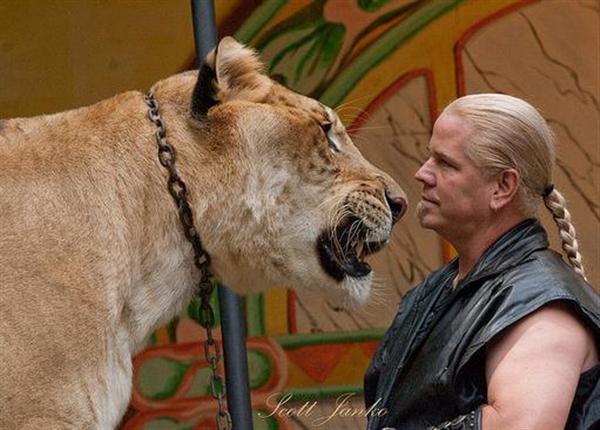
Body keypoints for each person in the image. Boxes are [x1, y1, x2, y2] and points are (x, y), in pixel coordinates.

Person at [364, 93, 600, 430]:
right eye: (429, 157)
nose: (422, 173)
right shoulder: (436, 290)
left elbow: (521, 427)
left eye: (445, 163)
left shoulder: (544, 308)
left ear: (502, 186)